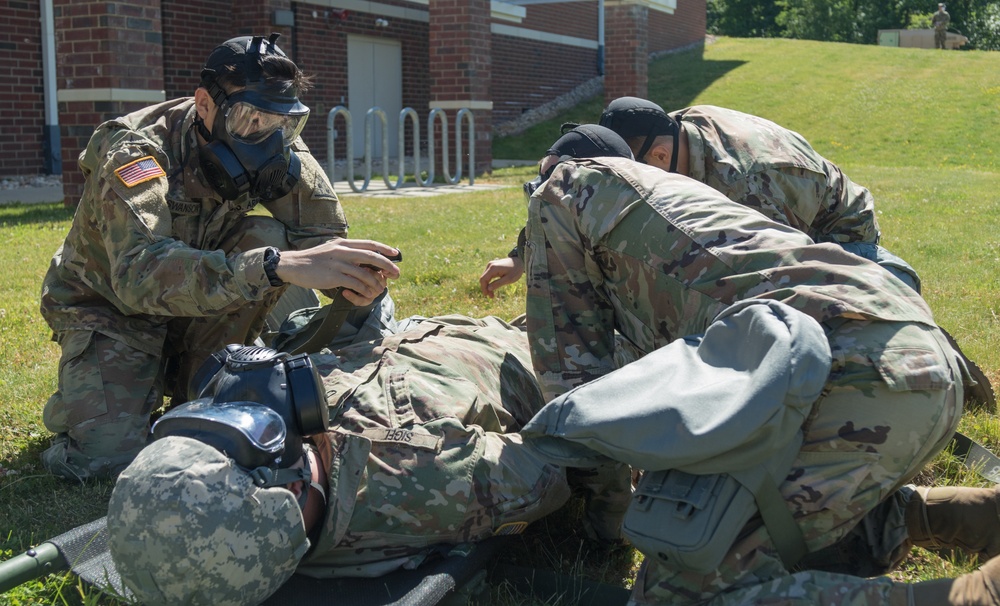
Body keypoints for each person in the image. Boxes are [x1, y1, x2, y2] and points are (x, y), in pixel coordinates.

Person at [515, 127, 1000, 604]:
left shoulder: (558, 196)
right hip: (905, 355)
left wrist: (605, 529)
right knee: (772, 528)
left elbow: (575, 385)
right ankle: (963, 517)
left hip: (850, 369)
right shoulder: (666, 202)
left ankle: (977, 595)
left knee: (682, 584)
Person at [39, 33, 400, 482]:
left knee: (266, 235)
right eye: (251, 118)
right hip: (111, 307)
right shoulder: (138, 151)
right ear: (205, 104)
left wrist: (352, 277)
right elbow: (138, 273)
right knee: (106, 461)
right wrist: (272, 266)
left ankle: (194, 382)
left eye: (282, 122)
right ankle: (80, 404)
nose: (266, 136)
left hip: (201, 299)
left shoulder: (274, 138)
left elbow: (323, 236)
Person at [105, 315, 630, 605]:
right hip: (538, 346)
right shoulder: (435, 478)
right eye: (245, 444)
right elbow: (568, 451)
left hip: (420, 335)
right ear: (287, 495)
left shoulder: (251, 497)